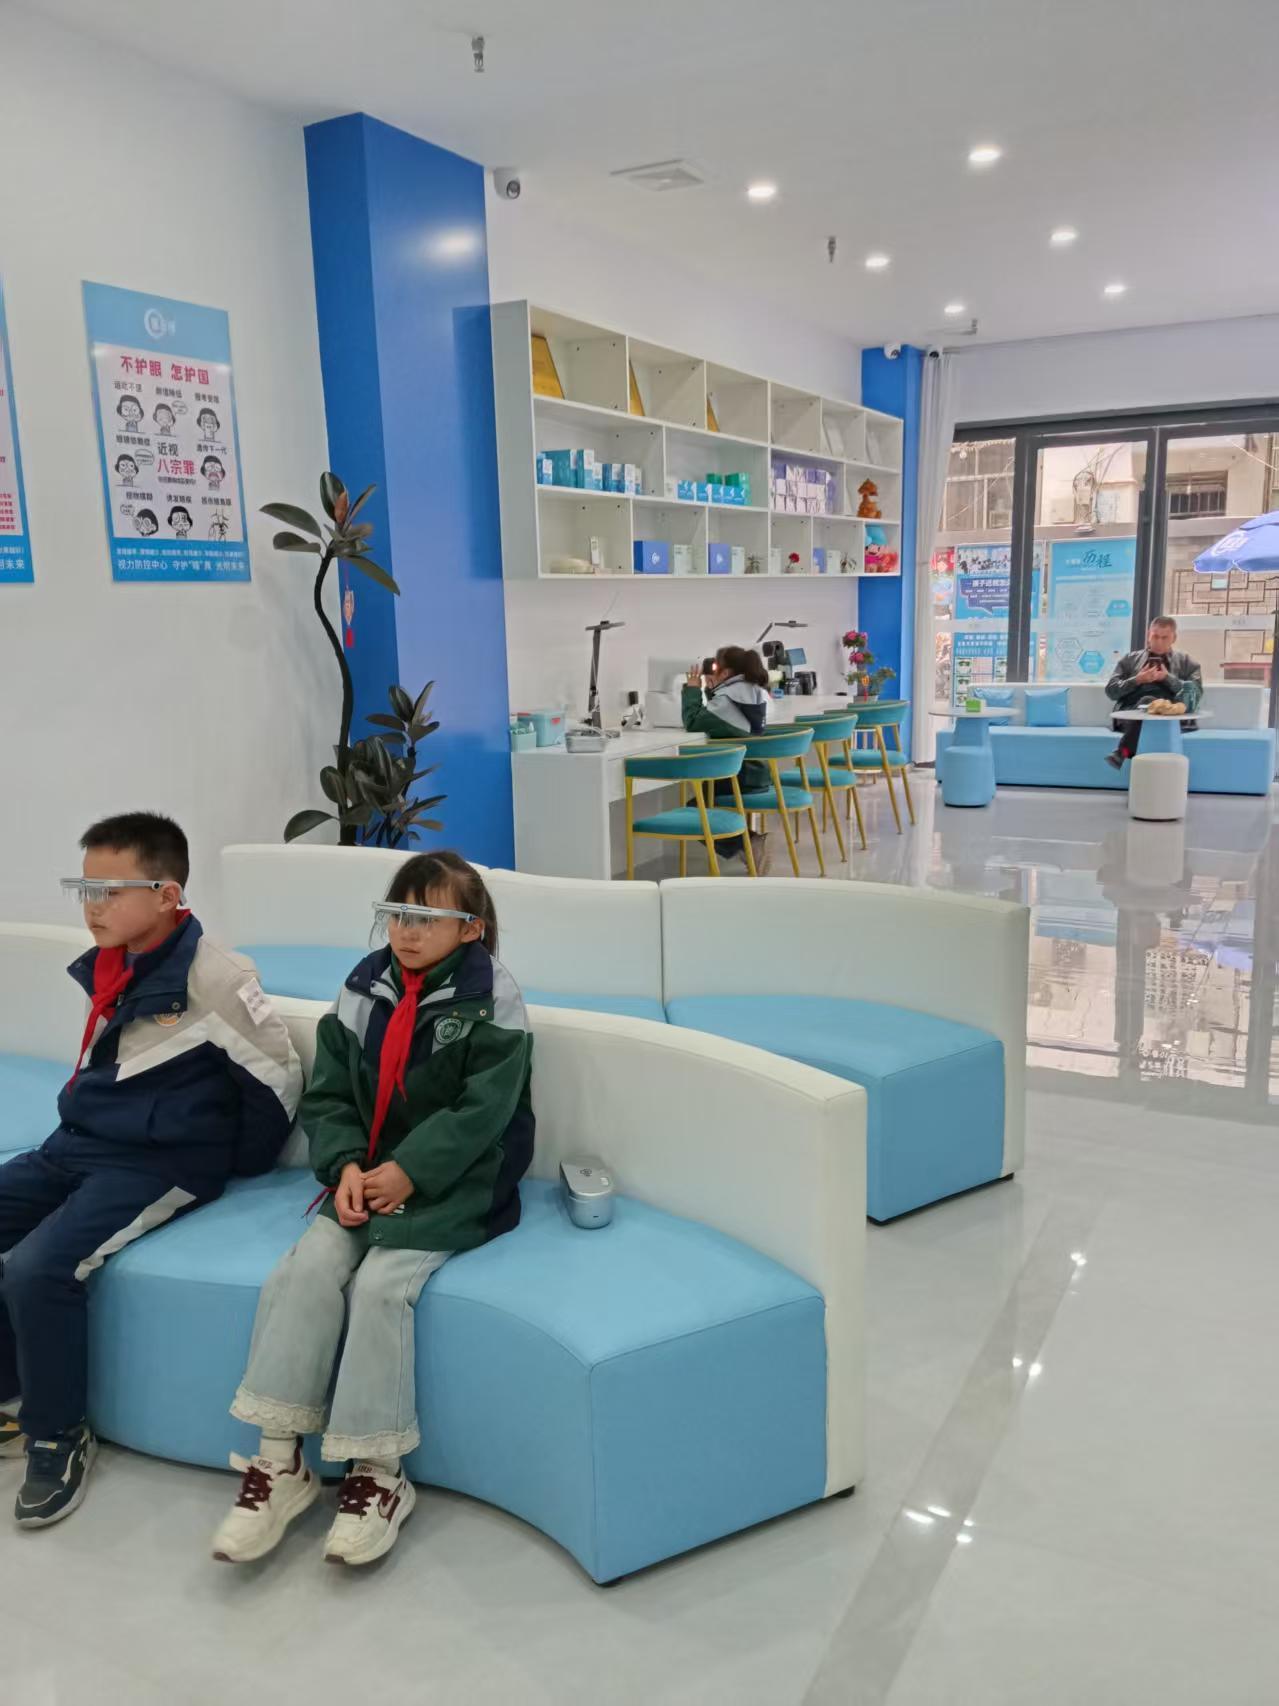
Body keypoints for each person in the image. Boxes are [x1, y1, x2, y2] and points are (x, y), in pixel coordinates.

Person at [211, 852, 534, 1569]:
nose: (406, 931)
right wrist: (347, 1167)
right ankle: (279, 1462)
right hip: (367, 1176)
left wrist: (410, 1172)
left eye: (426, 917)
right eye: (396, 914)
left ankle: (379, 1475)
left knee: (383, 1285)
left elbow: (483, 1114)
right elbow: (329, 1095)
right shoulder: (362, 989)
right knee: (307, 1267)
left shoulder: (493, 999)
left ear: (471, 929)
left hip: (459, 1182)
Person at [0, 813, 302, 1527]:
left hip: (157, 1162)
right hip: (77, 1142)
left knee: (40, 1267)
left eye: (110, 890)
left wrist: (223, 1162)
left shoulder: (218, 978)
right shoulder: (112, 962)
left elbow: (279, 1082)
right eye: (85, 888)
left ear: (167, 895)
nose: (92, 906)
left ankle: (57, 1434)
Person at [682, 645, 772, 872]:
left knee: (693, 811)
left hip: (739, 777)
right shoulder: (752, 692)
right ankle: (747, 843)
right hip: (757, 773)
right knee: (704, 802)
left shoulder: (727, 699)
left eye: (716, 667)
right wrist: (710, 690)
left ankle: (747, 843)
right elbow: (724, 717)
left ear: (726, 672)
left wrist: (692, 689)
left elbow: (693, 721)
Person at [1104, 616, 1203, 770]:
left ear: (1174, 638)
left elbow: (1194, 695)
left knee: (1150, 701)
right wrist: (1137, 680)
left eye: (1165, 638)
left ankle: (1122, 752)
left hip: (1171, 718)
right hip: (1131, 716)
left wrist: (1167, 678)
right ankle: (1125, 750)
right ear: (1148, 636)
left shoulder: (1187, 663)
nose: (1159, 642)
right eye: (1155, 636)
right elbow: (1111, 691)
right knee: (1147, 700)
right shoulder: (1129, 660)